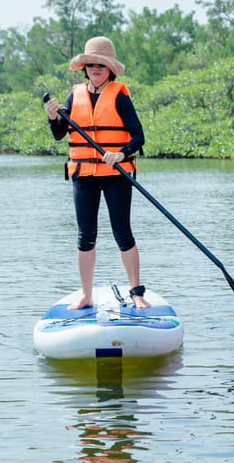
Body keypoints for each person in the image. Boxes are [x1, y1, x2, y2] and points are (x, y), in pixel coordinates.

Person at [44, 36, 150, 310]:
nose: (95, 68)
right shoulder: (75, 94)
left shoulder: (119, 94)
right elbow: (59, 135)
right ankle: (86, 294)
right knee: (85, 235)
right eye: (91, 64)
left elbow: (139, 136)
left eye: (101, 65)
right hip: (84, 175)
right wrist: (53, 116)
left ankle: (136, 293)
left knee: (122, 233)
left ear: (110, 69)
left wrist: (121, 153)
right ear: (85, 67)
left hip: (116, 175)